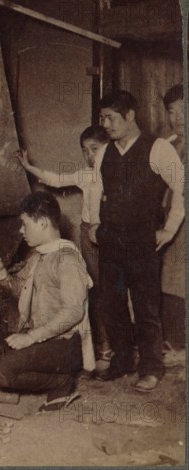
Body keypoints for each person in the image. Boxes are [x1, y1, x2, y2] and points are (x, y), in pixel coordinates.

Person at [89, 90, 184, 392]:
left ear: (130, 116)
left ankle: (151, 367)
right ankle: (121, 360)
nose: (105, 123)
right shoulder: (104, 152)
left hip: (142, 242)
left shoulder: (158, 149)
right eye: (102, 118)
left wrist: (169, 229)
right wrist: (93, 223)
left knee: (145, 307)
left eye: (111, 118)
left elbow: (182, 189)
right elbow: (95, 188)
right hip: (111, 242)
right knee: (111, 303)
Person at [0, 191, 95, 413]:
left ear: (44, 223)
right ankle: (24, 361)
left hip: (65, 344)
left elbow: (73, 312)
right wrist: (1, 273)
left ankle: (61, 381)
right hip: (40, 337)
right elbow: (21, 290)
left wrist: (30, 338)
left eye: (25, 224)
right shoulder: (39, 256)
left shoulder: (67, 260)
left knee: (0, 372)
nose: (21, 230)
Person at [17, 126, 111, 364]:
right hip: (88, 234)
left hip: (110, 236)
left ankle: (115, 344)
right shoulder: (85, 175)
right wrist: (30, 168)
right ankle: (100, 343)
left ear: (108, 148)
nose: (89, 156)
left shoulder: (115, 175)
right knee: (94, 289)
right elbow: (56, 180)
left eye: (95, 149)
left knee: (112, 291)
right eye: (84, 150)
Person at [160, 84, 185, 347]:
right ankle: (175, 340)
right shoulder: (167, 145)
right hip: (170, 219)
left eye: (183, 110)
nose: (177, 117)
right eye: (171, 111)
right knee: (170, 276)